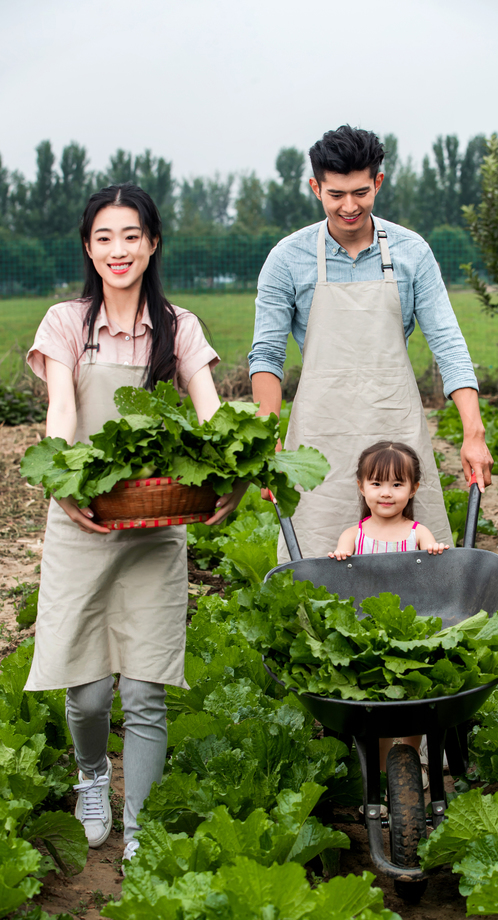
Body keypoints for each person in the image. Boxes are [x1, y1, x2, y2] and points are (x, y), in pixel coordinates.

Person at [24, 184, 244, 870]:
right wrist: (62, 480)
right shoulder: (66, 322)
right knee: (87, 691)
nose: (117, 250)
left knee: (146, 688)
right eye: (103, 238)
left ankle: (141, 819)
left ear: (151, 244)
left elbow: (209, 411)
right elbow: (62, 410)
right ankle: (92, 775)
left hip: (153, 523)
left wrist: (228, 472)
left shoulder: (179, 327)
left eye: (130, 236)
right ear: (89, 249)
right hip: (83, 523)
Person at [249, 125, 493, 561]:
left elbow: (448, 345)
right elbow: (267, 355)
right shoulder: (287, 258)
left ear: (378, 182)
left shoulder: (411, 252)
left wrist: (473, 433)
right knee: (320, 554)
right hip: (320, 434)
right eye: (335, 194)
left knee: (415, 562)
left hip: (393, 424)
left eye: (360, 192)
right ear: (315, 187)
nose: (348, 206)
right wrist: (269, 438)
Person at [329, 440, 448, 785]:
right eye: (377, 483)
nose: (387, 493)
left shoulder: (417, 532)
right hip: (367, 632)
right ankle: (381, 776)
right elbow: (340, 564)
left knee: (415, 697)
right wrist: (338, 558)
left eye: (397, 484)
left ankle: (412, 760)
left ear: (413, 490)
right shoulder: (354, 535)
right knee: (376, 704)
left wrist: (435, 551)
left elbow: (432, 553)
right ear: (361, 487)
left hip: (413, 627)